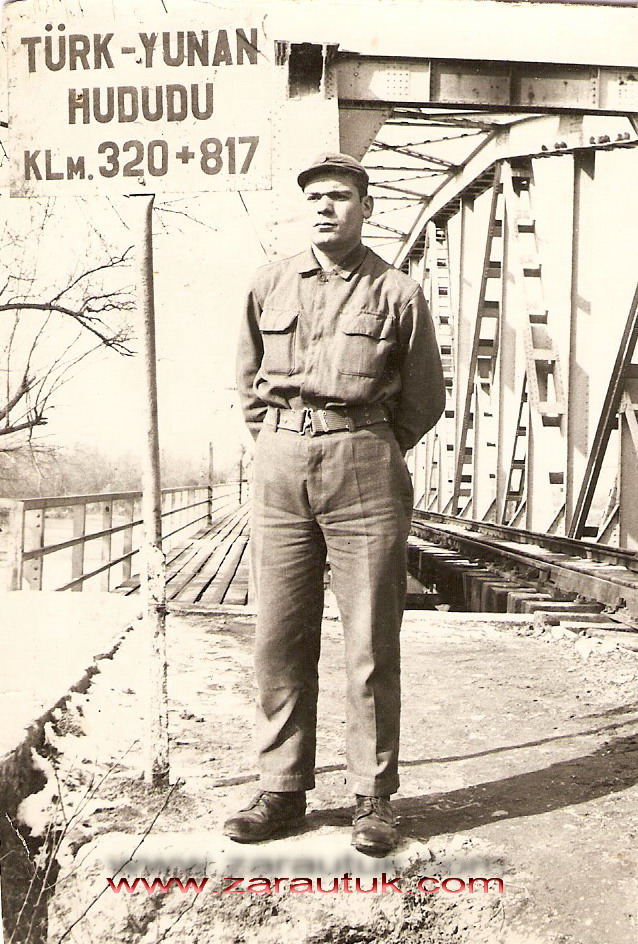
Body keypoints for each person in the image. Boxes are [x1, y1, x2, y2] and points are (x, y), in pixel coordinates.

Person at [226, 152, 445, 855]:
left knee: (370, 640)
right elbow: (248, 382)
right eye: (315, 196)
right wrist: (281, 438)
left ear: (366, 208)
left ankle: (373, 798)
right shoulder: (268, 284)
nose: (325, 207)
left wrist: (369, 443)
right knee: (278, 634)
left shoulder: (398, 292)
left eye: (341, 196)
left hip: (364, 466)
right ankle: (282, 790)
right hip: (281, 466)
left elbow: (424, 398)